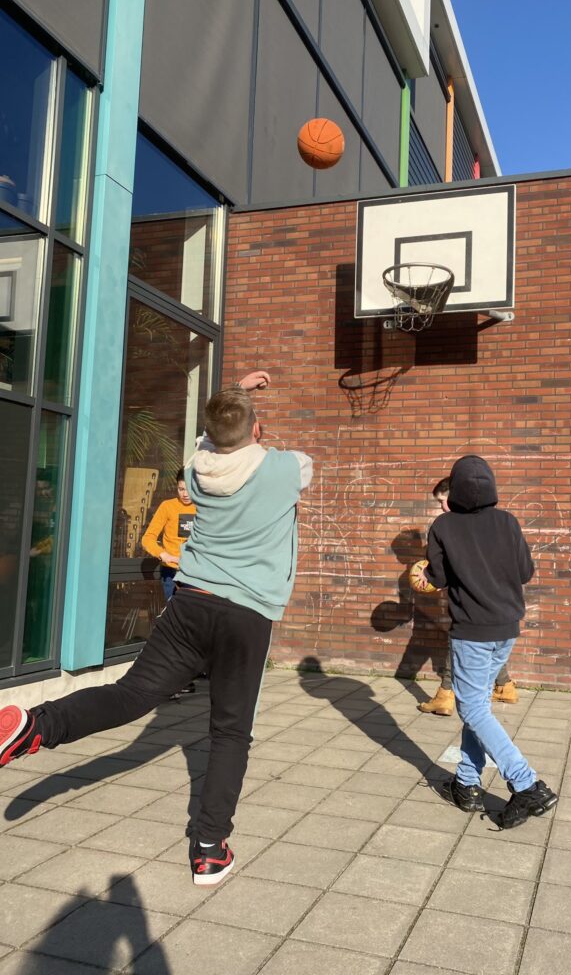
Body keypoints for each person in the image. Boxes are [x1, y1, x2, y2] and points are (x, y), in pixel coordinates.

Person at [0, 370, 313, 884]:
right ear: (256, 431)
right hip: (246, 614)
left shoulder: (196, 472)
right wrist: (246, 411)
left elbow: (212, 441)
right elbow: (301, 467)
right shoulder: (282, 468)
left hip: (190, 603)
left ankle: (35, 726)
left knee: (130, 695)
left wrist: (233, 398)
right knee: (230, 731)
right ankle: (209, 848)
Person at [415, 455, 558, 828]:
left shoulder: (443, 526)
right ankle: (466, 783)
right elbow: (525, 571)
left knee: (474, 709)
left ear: (456, 489)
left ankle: (527, 784)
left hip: (473, 632)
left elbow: (439, 577)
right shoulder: (507, 521)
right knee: (477, 704)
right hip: (506, 629)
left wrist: (427, 573)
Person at [418, 477, 519, 716]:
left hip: (472, 605)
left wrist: (430, 576)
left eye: (442, 500)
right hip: (502, 606)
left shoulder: (449, 526)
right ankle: (504, 686)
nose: (442, 507)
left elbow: (442, 574)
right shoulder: (498, 522)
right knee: (486, 642)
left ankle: (446, 694)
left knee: (462, 644)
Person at [141, 468, 196, 602]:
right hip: (171, 573)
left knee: (193, 613)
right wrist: (163, 554)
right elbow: (147, 538)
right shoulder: (167, 506)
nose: (185, 494)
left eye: (189, 489)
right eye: (181, 489)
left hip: (195, 572)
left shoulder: (203, 508)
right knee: (173, 612)